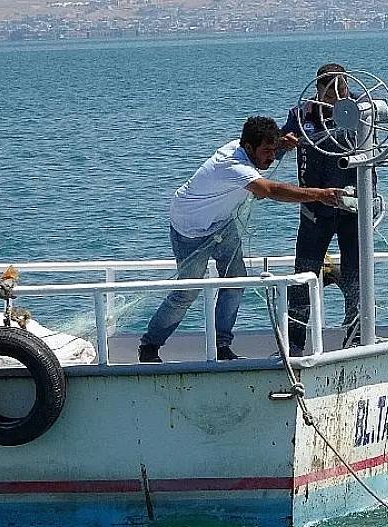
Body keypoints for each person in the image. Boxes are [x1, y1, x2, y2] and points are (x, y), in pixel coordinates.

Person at [138, 116, 344, 363]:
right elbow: (271, 190)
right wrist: (319, 195)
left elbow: (270, 153)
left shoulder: (249, 148)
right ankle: (149, 345)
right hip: (190, 229)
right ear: (248, 147)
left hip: (221, 224)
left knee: (236, 281)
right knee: (187, 293)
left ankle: (221, 346)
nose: (270, 157)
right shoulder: (233, 166)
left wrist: (282, 144)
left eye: (273, 149)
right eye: (266, 151)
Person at [281, 63, 388, 355]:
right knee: (302, 276)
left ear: (347, 86)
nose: (334, 95)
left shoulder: (364, 108)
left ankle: (355, 336)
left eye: (340, 88)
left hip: (355, 209)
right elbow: (279, 145)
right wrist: (284, 143)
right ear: (317, 88)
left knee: (356, 274)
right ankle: (294, 343)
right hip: (315, 211)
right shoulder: (301, 115)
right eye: (327, 89)